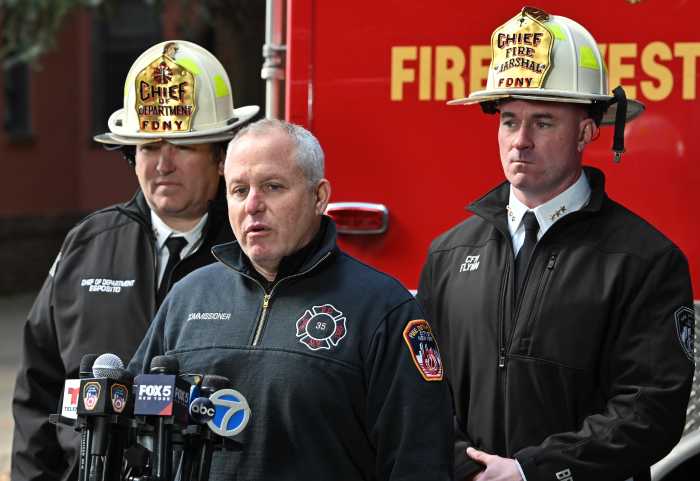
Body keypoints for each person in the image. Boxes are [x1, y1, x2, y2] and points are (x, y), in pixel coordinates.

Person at [418, 7, 694, 481]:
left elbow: (650, 411)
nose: (519, 141)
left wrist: (532, 472)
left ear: (586, 131)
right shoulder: (446, 255)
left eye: (542, 122)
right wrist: (467, 467)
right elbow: (418, 388)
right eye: (508, 120)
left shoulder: (645, 260)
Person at [129, 118, 454, 481]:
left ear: (320, 197)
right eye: (238, 190)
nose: (253, 205)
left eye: (272, 186)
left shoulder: (383, 309)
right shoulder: (186, 299)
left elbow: (418, 462)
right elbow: (136, 433)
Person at [11, 40, 259, 481]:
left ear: (220, 157)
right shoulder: (87, 245)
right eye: (147, 147)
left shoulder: (252, 255)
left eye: (181, 147)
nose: (163, 164)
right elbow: (38, 385)